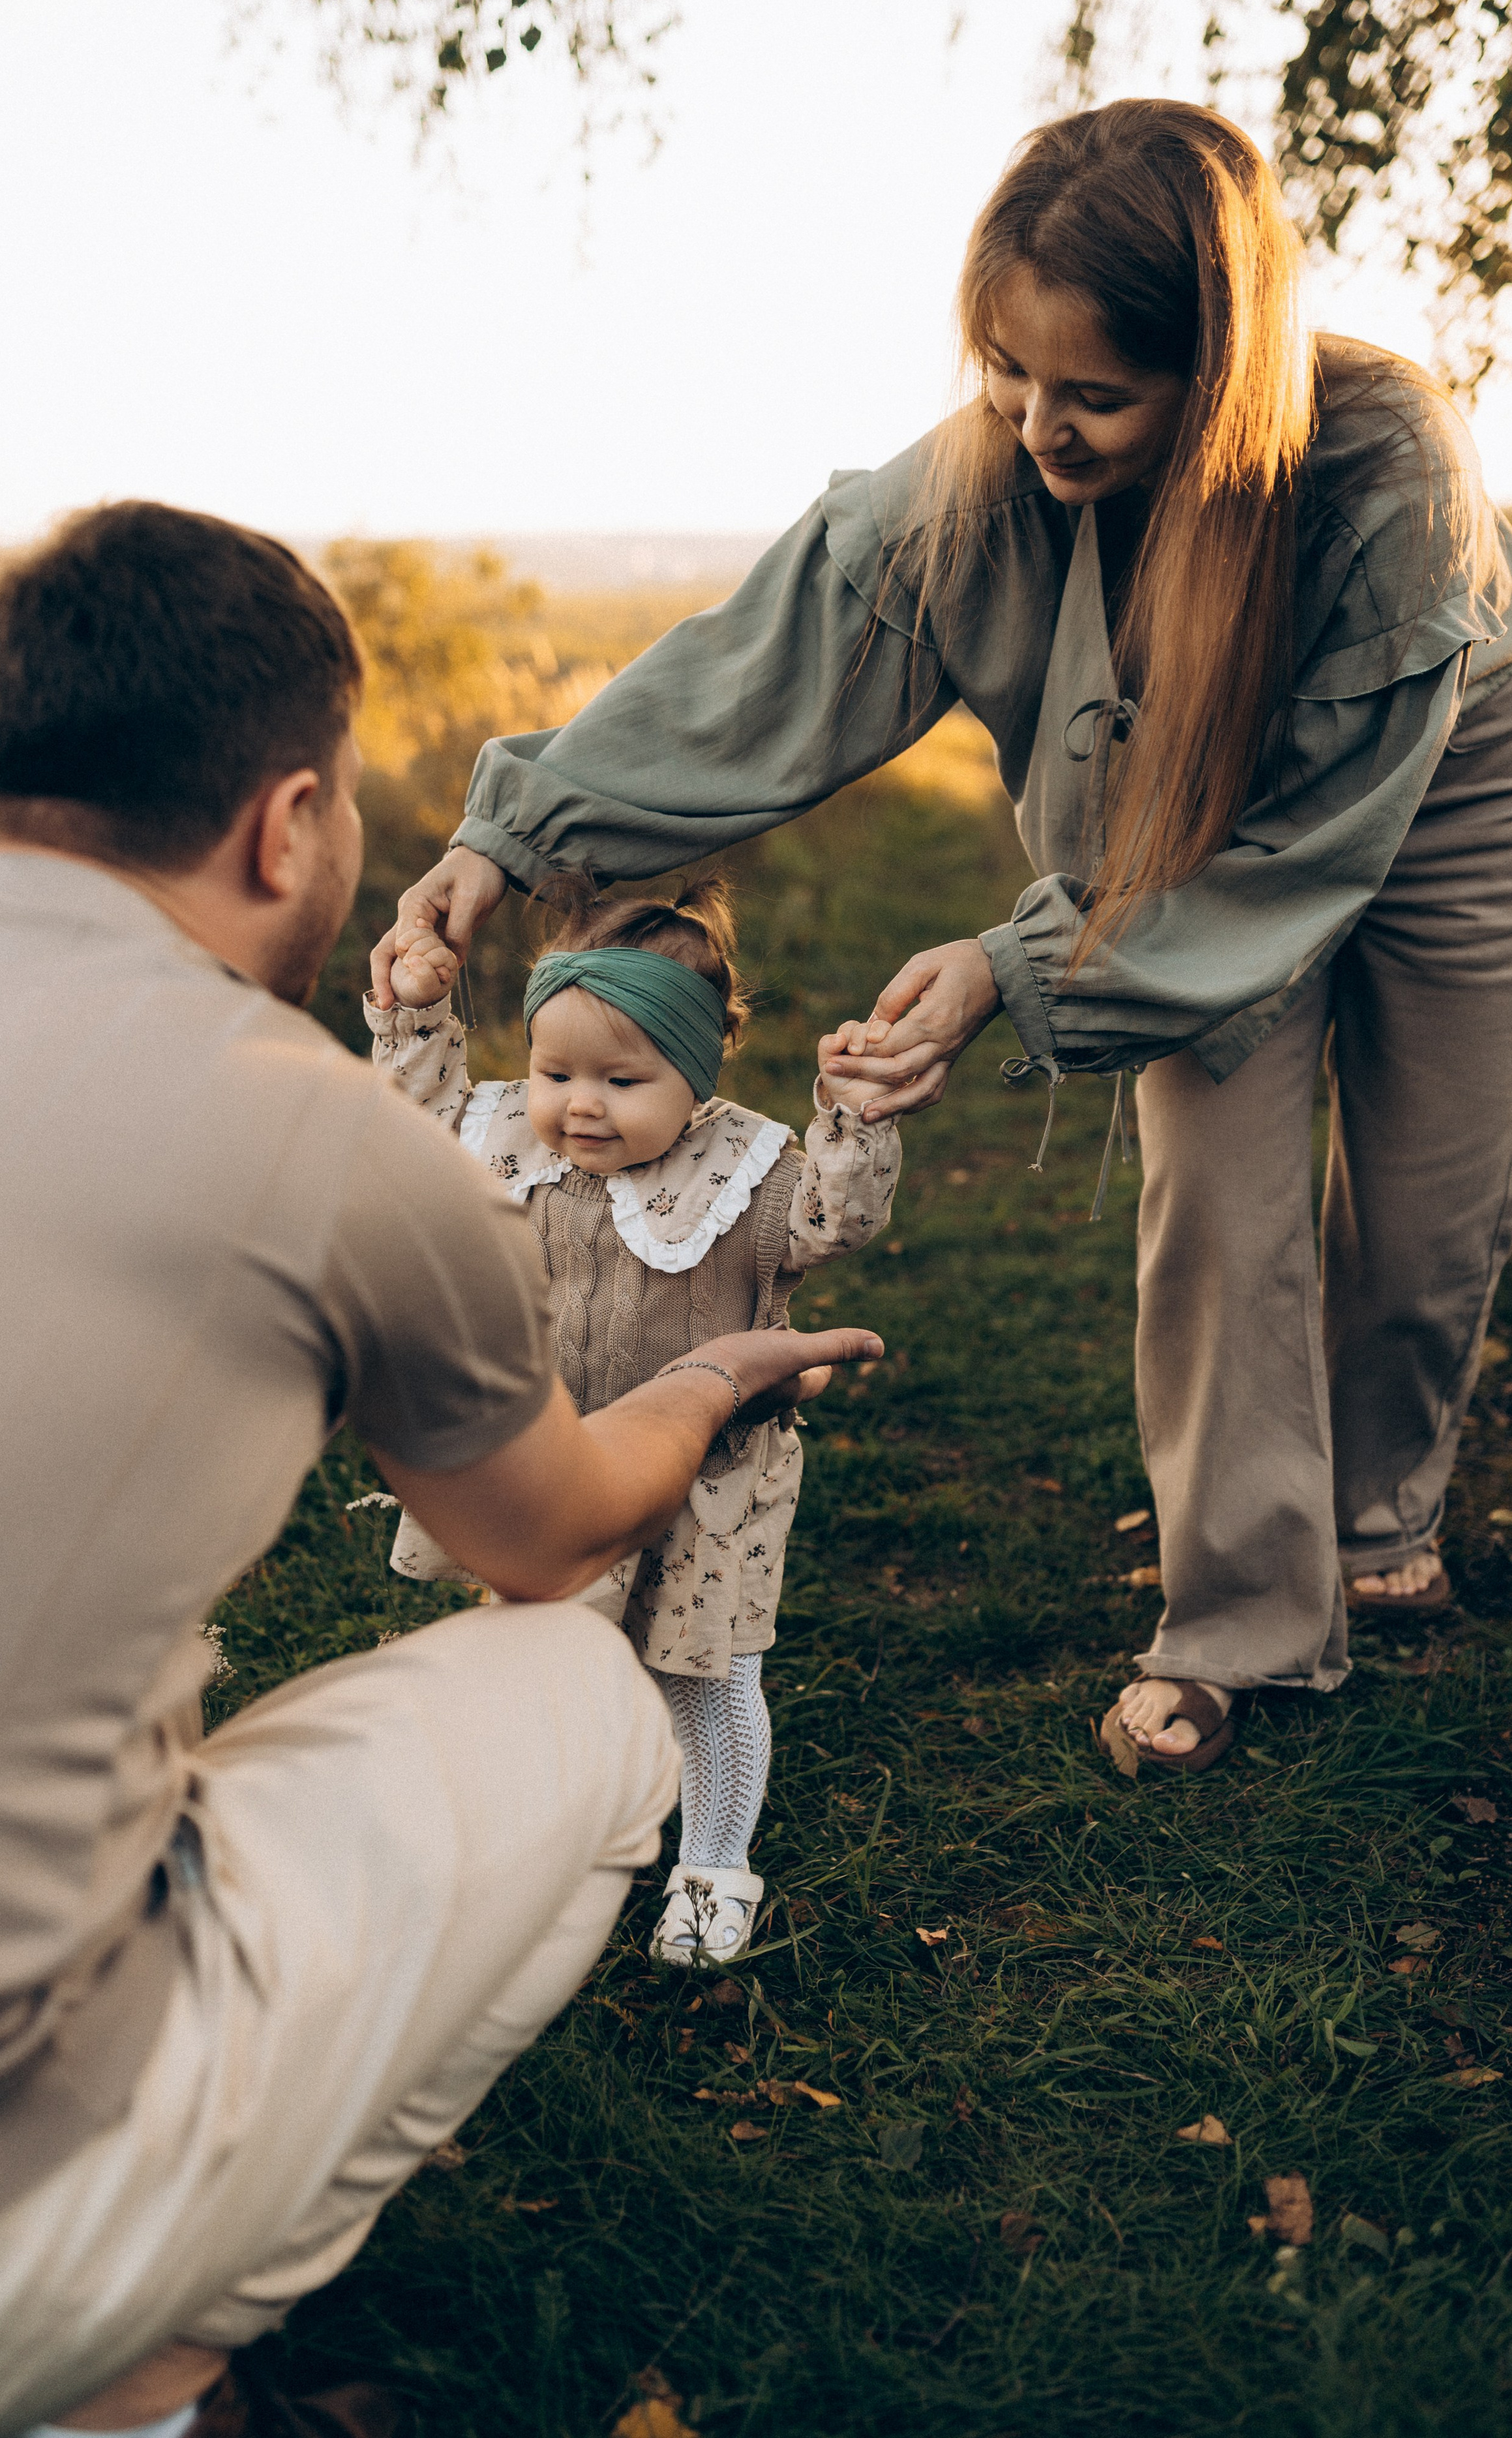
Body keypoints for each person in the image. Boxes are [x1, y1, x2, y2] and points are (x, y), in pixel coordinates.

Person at [0, 501, 879, 2438]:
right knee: (584, 1691)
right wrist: (725, 1369)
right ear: (291, 823)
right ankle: (143, 2365)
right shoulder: (318, 1135)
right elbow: (549, 1533)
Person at [378, 97, 1512, 1778]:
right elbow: (763, 668)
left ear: (1217, 370)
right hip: (1165, 830)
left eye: (1094, 395)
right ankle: (1239, 1622)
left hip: (1433, 797)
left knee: (1427, 1203)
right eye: (1004, 370)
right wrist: (512, 832)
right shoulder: (983, 470)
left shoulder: (1377, 457)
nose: (1034, 425)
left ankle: (1371, 1520)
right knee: (1219, 1201)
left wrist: (1012, 962)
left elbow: (1303, 841)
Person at [370, 874, 902, 1962]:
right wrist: (420, 1012)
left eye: (624, 1078)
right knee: (539, 1659)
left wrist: (852, 1114)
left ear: (696, 1075)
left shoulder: (746, 1177)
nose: (581, 1104)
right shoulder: (513, 1143)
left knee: (699, 1672)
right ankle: (544, 1843)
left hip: (705, 1486)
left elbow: (836, 1222)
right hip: (550, 1466)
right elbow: (412, 1123)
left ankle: (712, 1866)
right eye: (556, 1071)